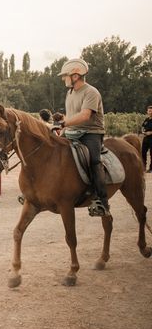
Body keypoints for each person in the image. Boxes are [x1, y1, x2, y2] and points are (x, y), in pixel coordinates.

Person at [58, 58, 110, 217]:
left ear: (75, 76)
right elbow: (72, 115)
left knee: (94, 160)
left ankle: (101, 201)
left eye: (65, 75)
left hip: (91, 132)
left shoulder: (91, 92)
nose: (63, 79)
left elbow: (85, 115)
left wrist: (64, 123)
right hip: (72, 131)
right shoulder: (70, 92)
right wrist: (62, 126)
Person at [142, 105, 152, 173]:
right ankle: (143, 167)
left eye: (151, 111)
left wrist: (151, 132)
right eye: (149, 110)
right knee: (143, 152)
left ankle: (151, 168)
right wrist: (143, 131)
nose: (150, 112)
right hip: (146, 138)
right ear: (147, 111)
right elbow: (142, 127)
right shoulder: (146, 120)